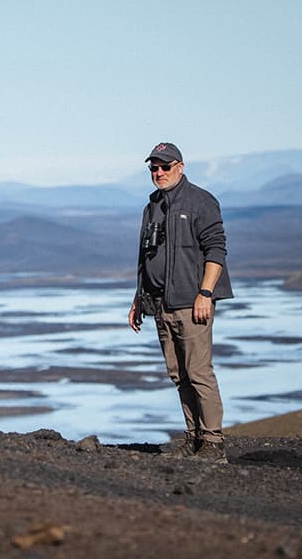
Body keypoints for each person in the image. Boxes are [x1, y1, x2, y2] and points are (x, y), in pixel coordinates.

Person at [128, 142, 234, 462]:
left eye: (164, 166)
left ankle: (213, 442)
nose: (158, 173)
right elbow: (147, 258)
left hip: (192, 302)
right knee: (179, 374)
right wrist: (138, 299)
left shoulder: (201, 201)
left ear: (180, 166)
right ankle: (193, 436)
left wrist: (205, 294)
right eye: (153, 168)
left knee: (199, 371)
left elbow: (216, 249)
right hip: (160, 303)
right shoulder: (153, 206)